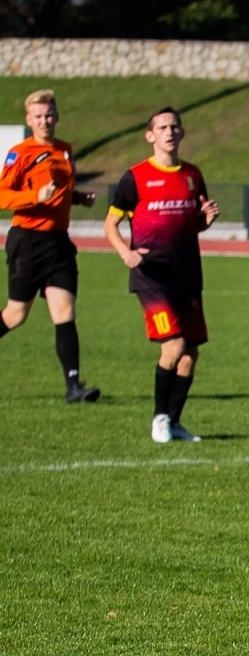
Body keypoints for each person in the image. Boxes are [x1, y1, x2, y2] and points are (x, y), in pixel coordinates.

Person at [104, 107, 220, 442]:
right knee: (174, 347)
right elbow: (110, 223)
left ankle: (174, 421)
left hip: (187, 274)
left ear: (182, 133)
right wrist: (125, 252)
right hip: (151, 275)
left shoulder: (193, 175)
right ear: (150, 135)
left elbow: (192, 223)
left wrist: (205, 221)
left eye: (175, 126)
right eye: (162, 127)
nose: (170, 131)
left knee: (190, 355)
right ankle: (159, 418)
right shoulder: (136, 176)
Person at [0, 89, 101, 403]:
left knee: (65, 310)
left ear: (57, 116)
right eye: (38, 116)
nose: (45, 121)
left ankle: (74, 387)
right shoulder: (21, 153)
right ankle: (73, 387)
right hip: (27, 241)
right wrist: (34, 197)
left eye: (49, 115)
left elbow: (58, 190)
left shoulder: (66, 150)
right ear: (29, 120)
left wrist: (78, 198)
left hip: (58, 243)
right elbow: (3, 195)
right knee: (16, 315)